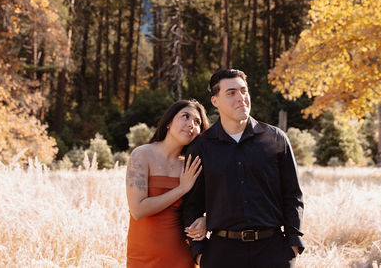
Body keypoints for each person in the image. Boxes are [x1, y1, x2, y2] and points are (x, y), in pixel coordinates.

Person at [181, 69, 304, 267]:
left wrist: (293, 245)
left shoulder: (276, 138)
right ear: (215, 101)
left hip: (273, 252)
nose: (241, 98)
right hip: (221, 254)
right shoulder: (201, 147)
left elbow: (293, 195)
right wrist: (200, 253)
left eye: (244, 91)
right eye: (231, 93)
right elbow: (191, 205)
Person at [126, 99, 209, 268]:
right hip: (142, 255)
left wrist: (207, 220)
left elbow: (220, 200)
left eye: (197, 122)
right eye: (185, 116)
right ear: (169, 123)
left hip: (181, 254)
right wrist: (182, 188)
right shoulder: (142, 155)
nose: (191, 124)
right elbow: (138, 210)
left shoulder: (192, 165)